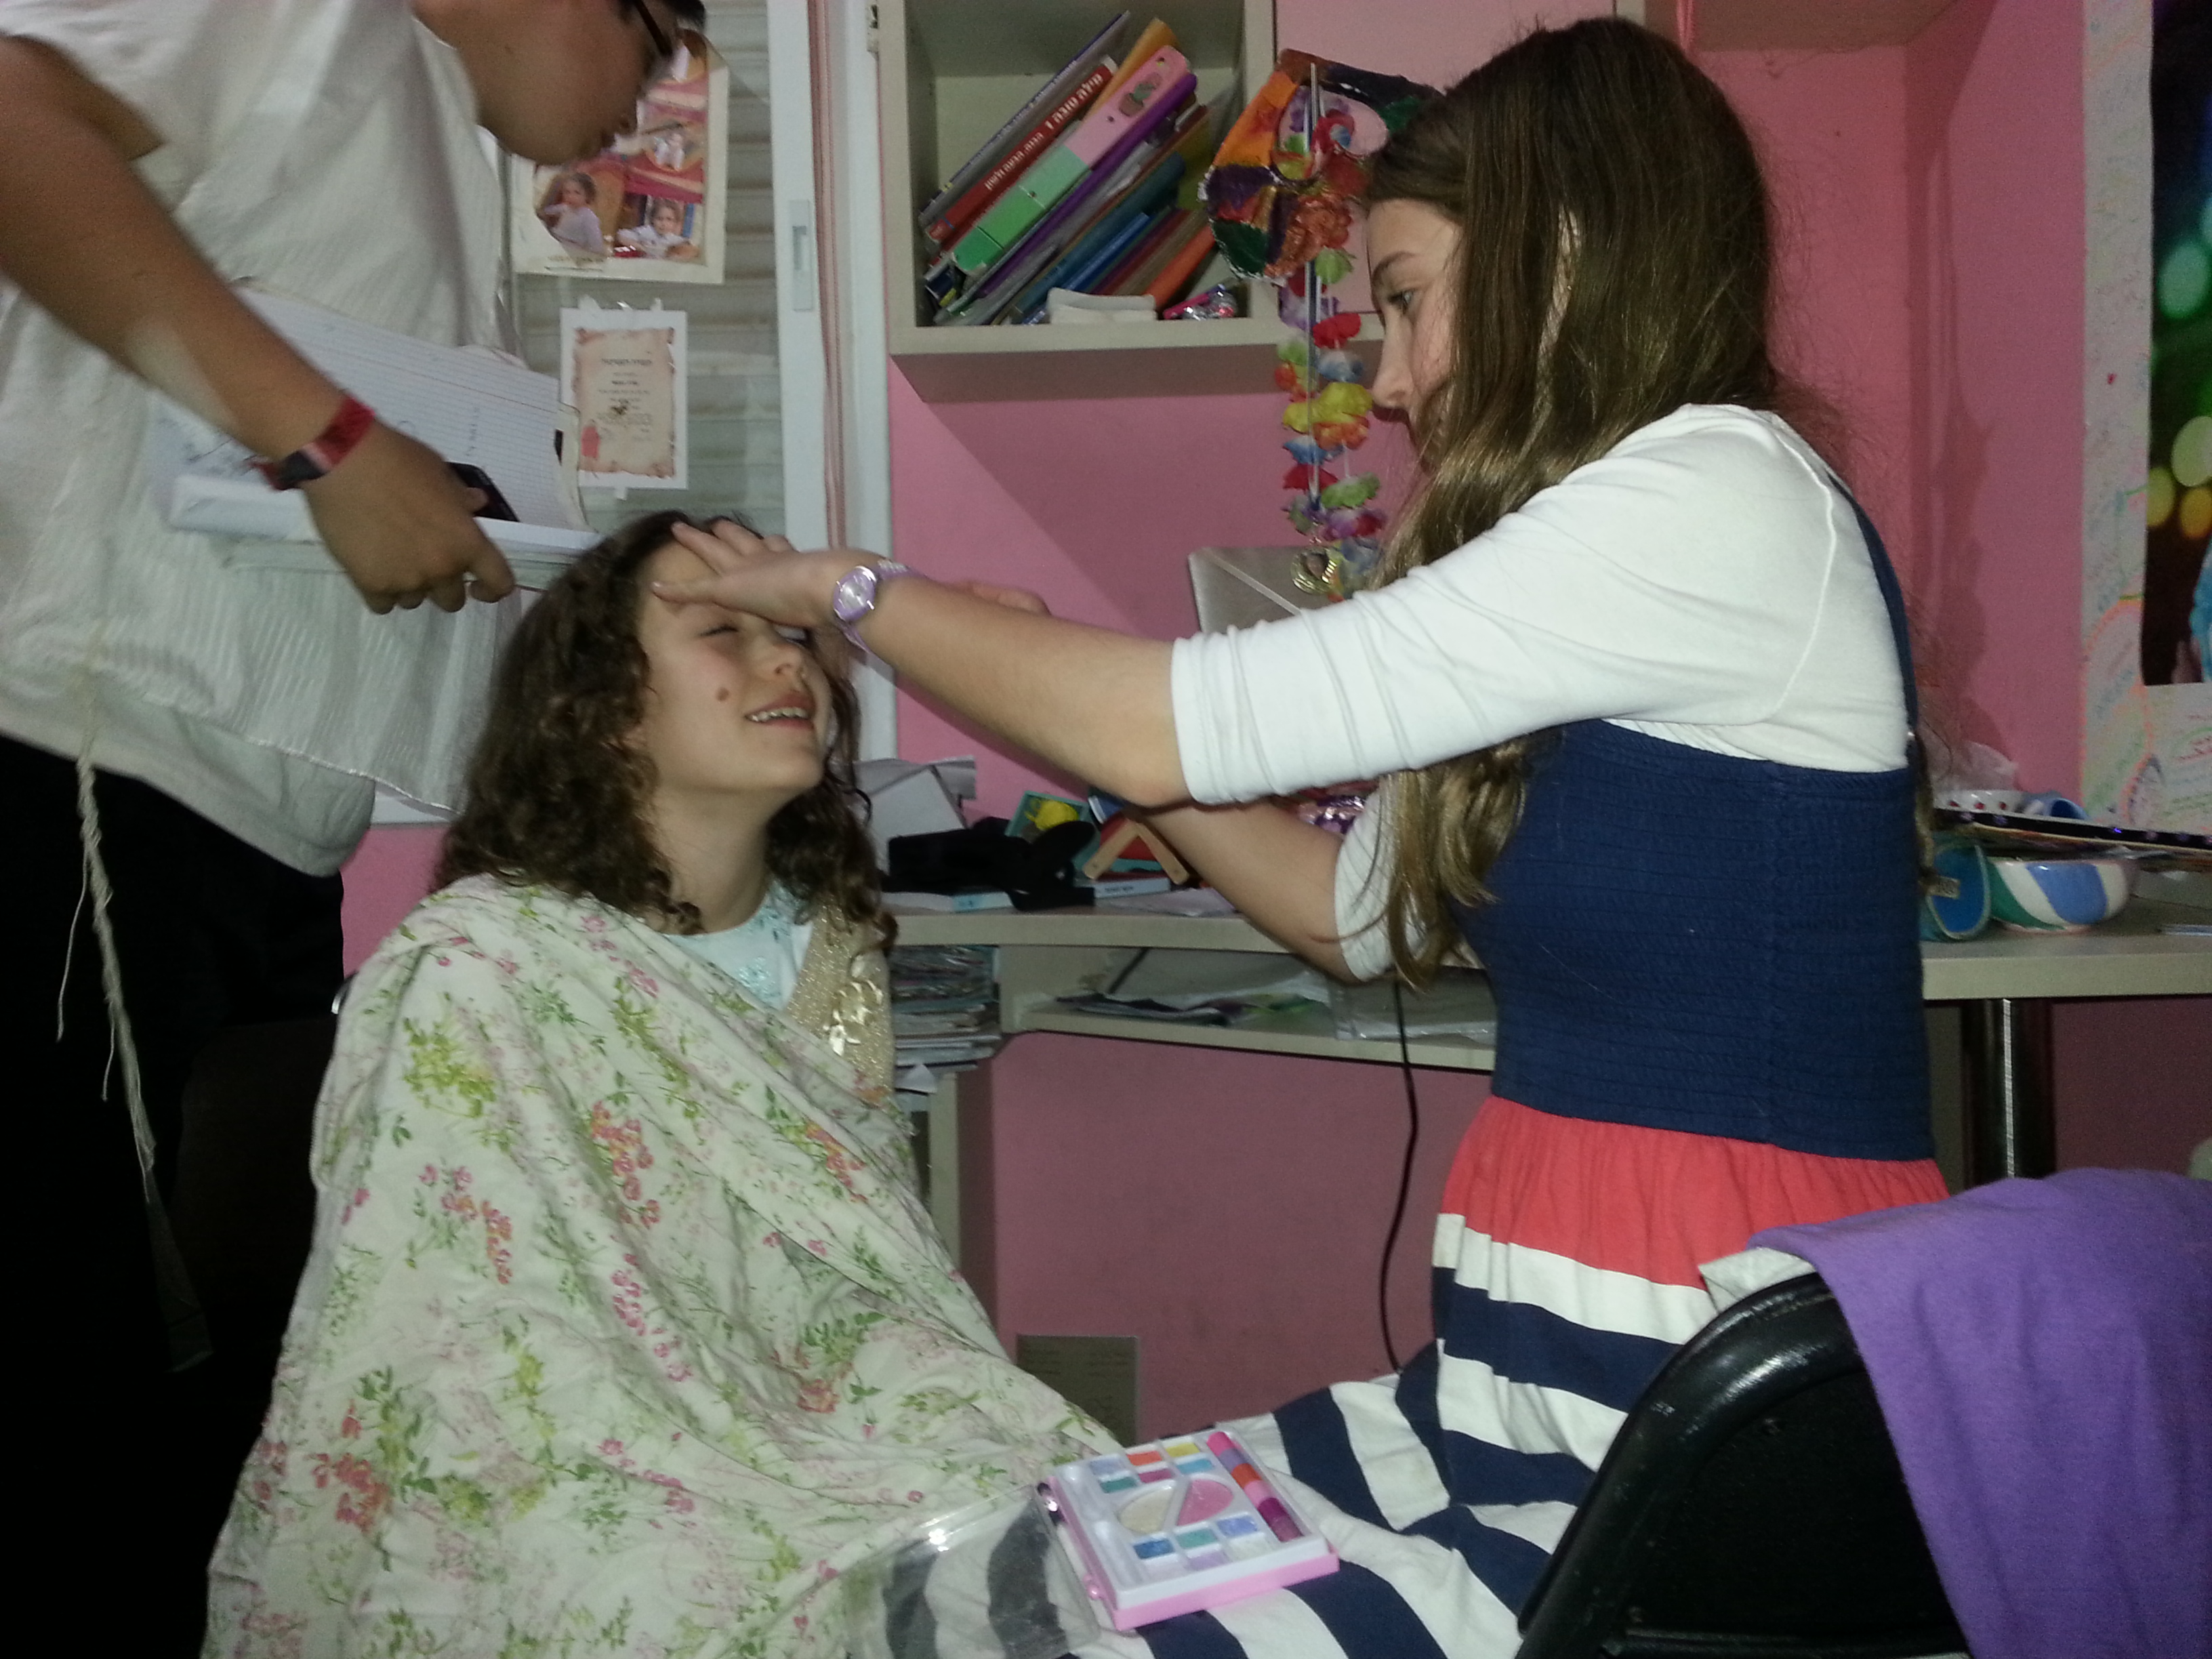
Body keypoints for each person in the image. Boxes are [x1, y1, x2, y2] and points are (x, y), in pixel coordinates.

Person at [655, 20, 1952, 1656]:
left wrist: (858, 591)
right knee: (986, 1580)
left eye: (1405, 299)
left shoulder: (1713, 492)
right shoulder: (1599, 545)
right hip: (1535, 1373)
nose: (1391, 381)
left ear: (1559, 254)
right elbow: (1356, 914)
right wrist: (1110, 744)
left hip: (1687, 1380)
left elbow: (1161, 718)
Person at [0, 0, 700, 1650]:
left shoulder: (432, 145)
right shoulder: (321, 22)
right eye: (658, 29)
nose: (662, 84)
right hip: (83, 801)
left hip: (243, 842)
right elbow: (15, 119)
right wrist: (330, 443)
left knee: (213, 1419)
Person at [205, 512, 1105, 1658]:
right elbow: (454, 1321)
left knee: (1039, 1488)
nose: (786, 661)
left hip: (817, 1390)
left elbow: (850, 1257)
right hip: (571, 1425)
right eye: (725, 632)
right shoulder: (483, 966)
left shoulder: (828, 943)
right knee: (657, 1587)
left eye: (796, 633)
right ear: (602, 708)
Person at [541, 169, 610, 255]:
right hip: (556, 240)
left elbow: (596, 244)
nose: (571, 197)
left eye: (577, 193)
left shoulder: (588, 217)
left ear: (588, 195)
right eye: (567, 192)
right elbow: (547, 211)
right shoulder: (564, 208)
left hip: (572, 249)